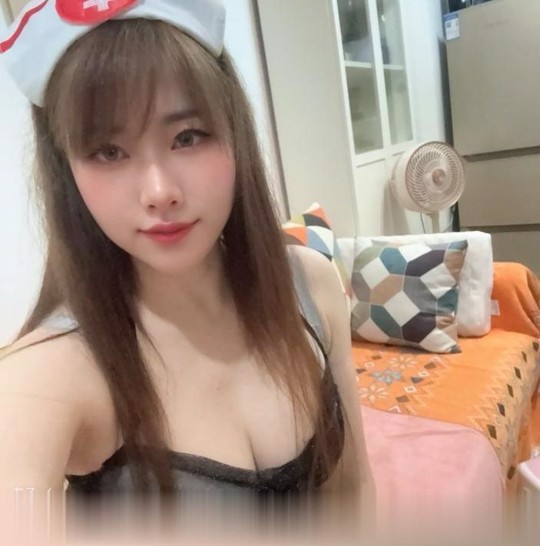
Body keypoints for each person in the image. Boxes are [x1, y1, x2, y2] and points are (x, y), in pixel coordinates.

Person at [0, 0, 374, 542]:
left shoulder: (311, 286)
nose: (160, 192)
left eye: (188, 137)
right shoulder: (46, 375)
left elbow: (354, 494)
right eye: (108, 152)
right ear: (67, 171)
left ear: (233, 130)